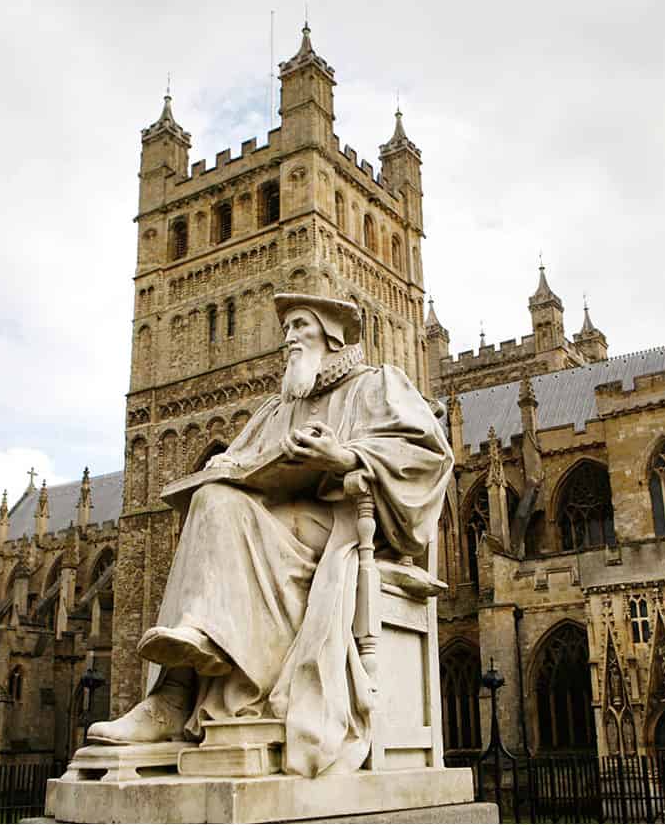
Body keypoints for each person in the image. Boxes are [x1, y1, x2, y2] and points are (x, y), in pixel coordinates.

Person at [87, 293, 452, 777]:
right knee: (213, 497)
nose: (288, 338)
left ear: (332, 334)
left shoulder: (377, 385)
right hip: (278, 526)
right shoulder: (277, 409)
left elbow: (429, 454)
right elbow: (243, 460)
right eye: (286, 329)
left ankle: (184, 683)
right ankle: (173, 692)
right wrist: (228, 465)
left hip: (343, 526)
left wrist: (345, 458)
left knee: (226, 509)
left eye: (299, 325)